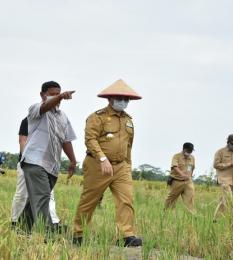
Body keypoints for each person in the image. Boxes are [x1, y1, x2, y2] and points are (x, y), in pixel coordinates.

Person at [73, 79, 143, 247]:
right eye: (120, 98)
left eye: (126, 99)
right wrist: (102, 158)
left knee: (126, 200)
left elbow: (129, 145)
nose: (123, 102)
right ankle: (78, 233)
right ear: (110, 99)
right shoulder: (97, 117)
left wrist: (128, 165)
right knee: (90, 199)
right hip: (98, 165)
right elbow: (90, 140)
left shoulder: (128, 120)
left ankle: (127, 235)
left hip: (121, 166)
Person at [19, 81, 77, 234]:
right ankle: (48, 233)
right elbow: (45, 106)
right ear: (42, 95)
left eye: (58, 93)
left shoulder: (63, 117)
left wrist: (72, 160)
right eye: (52, 94)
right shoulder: (36, 109)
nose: (56, 97)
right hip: (34, 161)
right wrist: (60, 98)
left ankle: (21, 230)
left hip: (52, 165)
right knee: (43, 196)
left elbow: (66, 139)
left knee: (35, 200)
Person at [11, 117, 61, 230]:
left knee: (48, 194)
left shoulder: (55, 121)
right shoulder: (28, 120)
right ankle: (14, 221)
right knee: (22, 194)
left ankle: (54, 222)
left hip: (46, 164)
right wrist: (27, 159)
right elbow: (22, 140)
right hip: (28, 162)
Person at [213, 134, 233, 221]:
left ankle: (215, 219)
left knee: (223, 201)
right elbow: (216, 165)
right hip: (224, 180)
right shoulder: (220, 152)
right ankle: (232, 218)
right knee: (229, 200)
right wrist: (229, 164)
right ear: (228, 142)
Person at [164, 142, 196, 214]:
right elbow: (175, 167)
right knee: (171, 199)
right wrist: (182, 174)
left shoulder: (192, 158)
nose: (189, 153)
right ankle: (166, 214)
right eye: (188, 151)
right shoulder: (176, 156)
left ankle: (192, 215)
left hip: (188, 181)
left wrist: (189, 176)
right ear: (184, 149)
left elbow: (192, 168)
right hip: (177, 181)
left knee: (190, 198)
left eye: (191, 151)